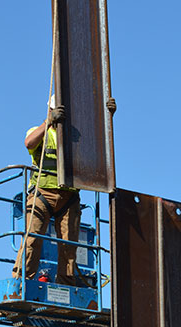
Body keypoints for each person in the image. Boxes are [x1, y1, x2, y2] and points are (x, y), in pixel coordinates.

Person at [12, 95, 116, 285]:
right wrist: (48, 122)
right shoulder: (39, 131)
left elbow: (98, 144)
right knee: (31, 240)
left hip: (69, 196)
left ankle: (66, 284)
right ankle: (21, 282)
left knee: (69, 245)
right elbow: (29, 143)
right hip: (42, 193)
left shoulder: (76, 138)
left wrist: (107, 118)